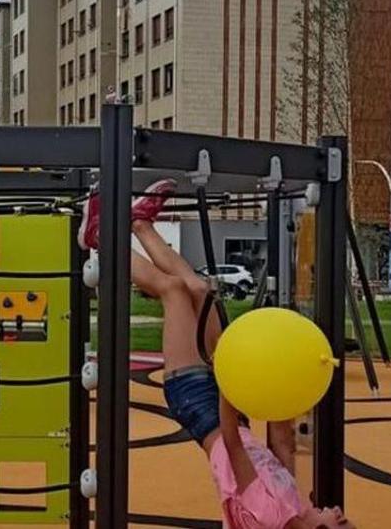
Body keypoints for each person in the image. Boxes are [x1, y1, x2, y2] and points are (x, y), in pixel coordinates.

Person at [78, 179, 353, 529]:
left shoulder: (267, 518)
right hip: (229, 401)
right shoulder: (293, 508)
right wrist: (284, 377)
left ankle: (100, 237)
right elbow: (282, 441)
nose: (339, 513)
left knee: (174, 291)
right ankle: (140, 225)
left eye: (340, 523)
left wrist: (231, 378)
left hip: (200, 404)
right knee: (201, 290)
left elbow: (234, 445)